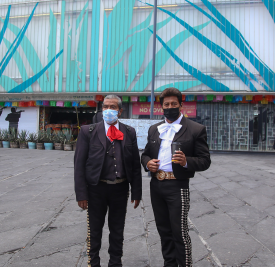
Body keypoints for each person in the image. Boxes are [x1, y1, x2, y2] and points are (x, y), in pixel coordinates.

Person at [141, 88, 211, 267]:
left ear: (181, 104)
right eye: (166, 104)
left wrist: (187, 161)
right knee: (163, 231)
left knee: (179, 232)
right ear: (161, 106)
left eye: (174, 104)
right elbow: (145, 154)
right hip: (156, 185)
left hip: (178, 186)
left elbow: (205, 161)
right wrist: (148, 163)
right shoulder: (154, 129)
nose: (170, 107)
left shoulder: (196, 129)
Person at [74, 95, 142, 267]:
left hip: (120, 189)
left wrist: (136, 192)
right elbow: (79, 165)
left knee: (117, 230)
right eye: (105, 107)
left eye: (112, 107)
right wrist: (81, 194)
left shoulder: (129, 132)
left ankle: (115, 263)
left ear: (120, 110)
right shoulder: (88, 131)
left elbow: (135, 164)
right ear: (101, 109)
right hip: (96, 189)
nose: (108, 110)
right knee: (94, 230)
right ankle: (93, 262)